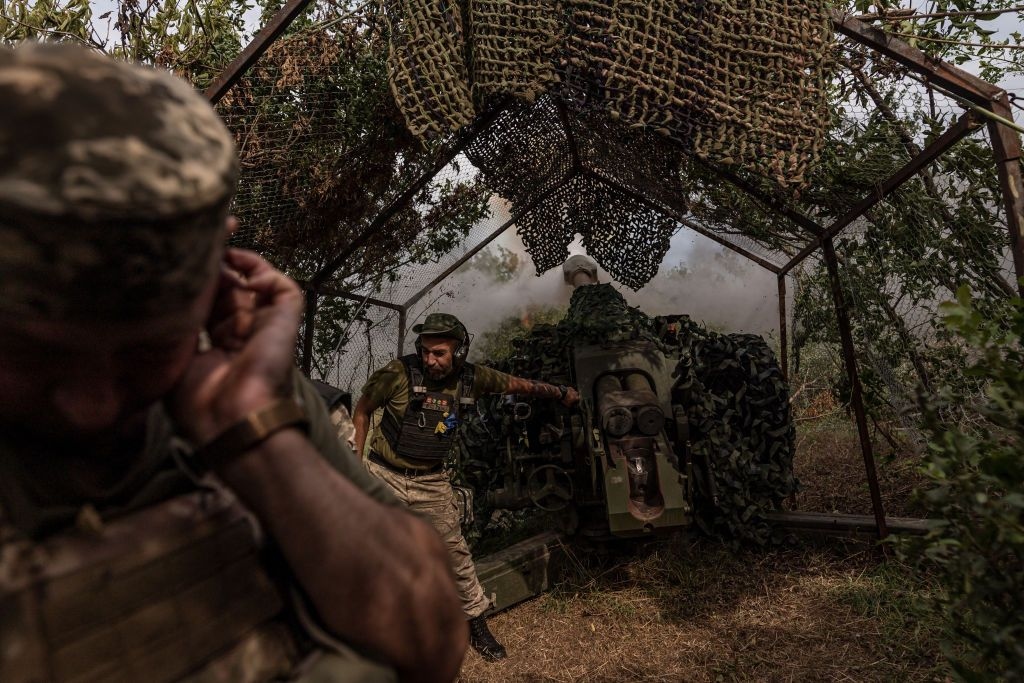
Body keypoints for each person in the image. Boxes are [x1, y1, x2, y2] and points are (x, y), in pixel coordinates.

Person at [0, 43, 466, 682]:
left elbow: (431, 639)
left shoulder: (249, 392)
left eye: (148, 346)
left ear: (221, 277)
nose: (94, 404)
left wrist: (250, 429)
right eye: (35, 352)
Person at [352, 313, 580, 662]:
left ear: (459, 352)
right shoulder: (397, 374)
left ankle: (475, 623)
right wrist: (356, 465)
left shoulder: (473, 379)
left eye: (440, 353)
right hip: (384, 476)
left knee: (456, 556)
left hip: (431, 484)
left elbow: (521, 386)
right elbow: (363, 409)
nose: (431, 360)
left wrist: (561, 393)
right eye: (426, 351)